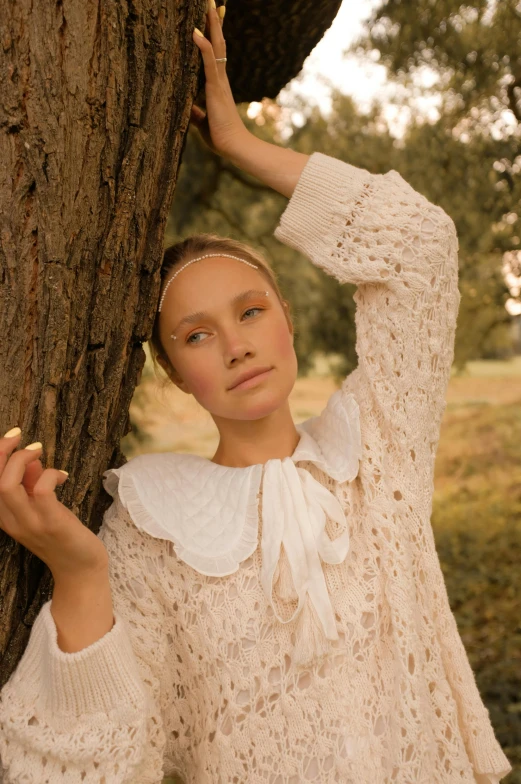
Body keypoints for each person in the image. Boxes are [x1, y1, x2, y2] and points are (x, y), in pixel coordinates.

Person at [0, 3, 512, 783]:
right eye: (196, 334)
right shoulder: (148, 525)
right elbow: (106, 753)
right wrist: (79, 572)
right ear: (172, 370)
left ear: (286, 324)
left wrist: (240, 144)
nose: (235, 342)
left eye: (250, 311)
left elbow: (417, 247)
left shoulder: (375, 451)